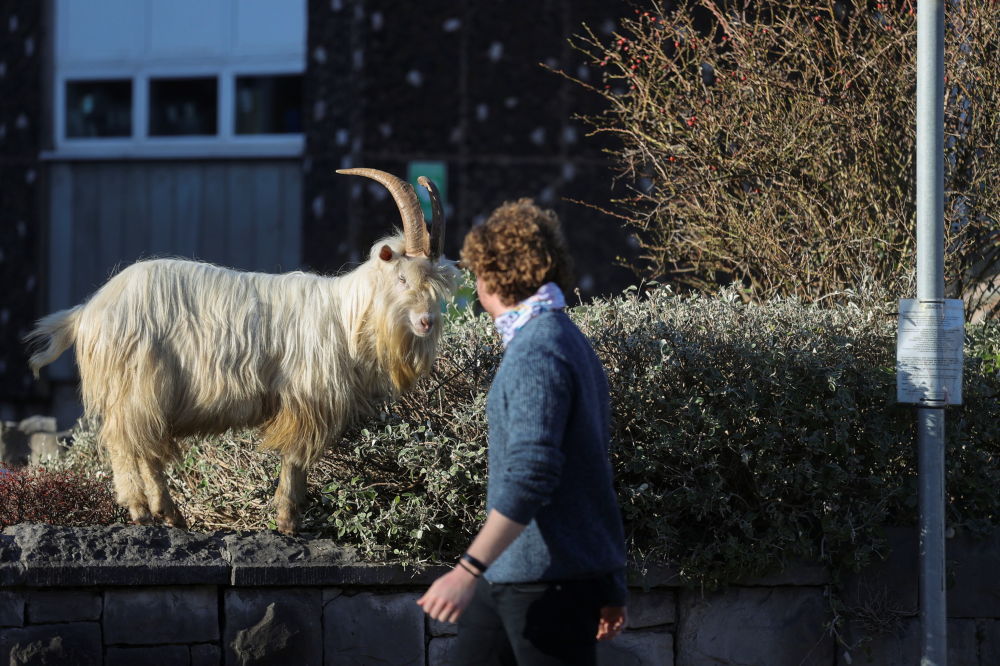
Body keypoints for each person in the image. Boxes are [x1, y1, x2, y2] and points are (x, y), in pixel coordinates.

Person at [417, 198, 628, 665]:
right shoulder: (566, 338)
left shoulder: (539, 350)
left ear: (495, 276)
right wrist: (611, 581)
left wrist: (465, 570)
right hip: (517, 575)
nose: (475, 286)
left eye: (476, 274)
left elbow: (534, 472)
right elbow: (593, 468)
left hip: (542, 584)